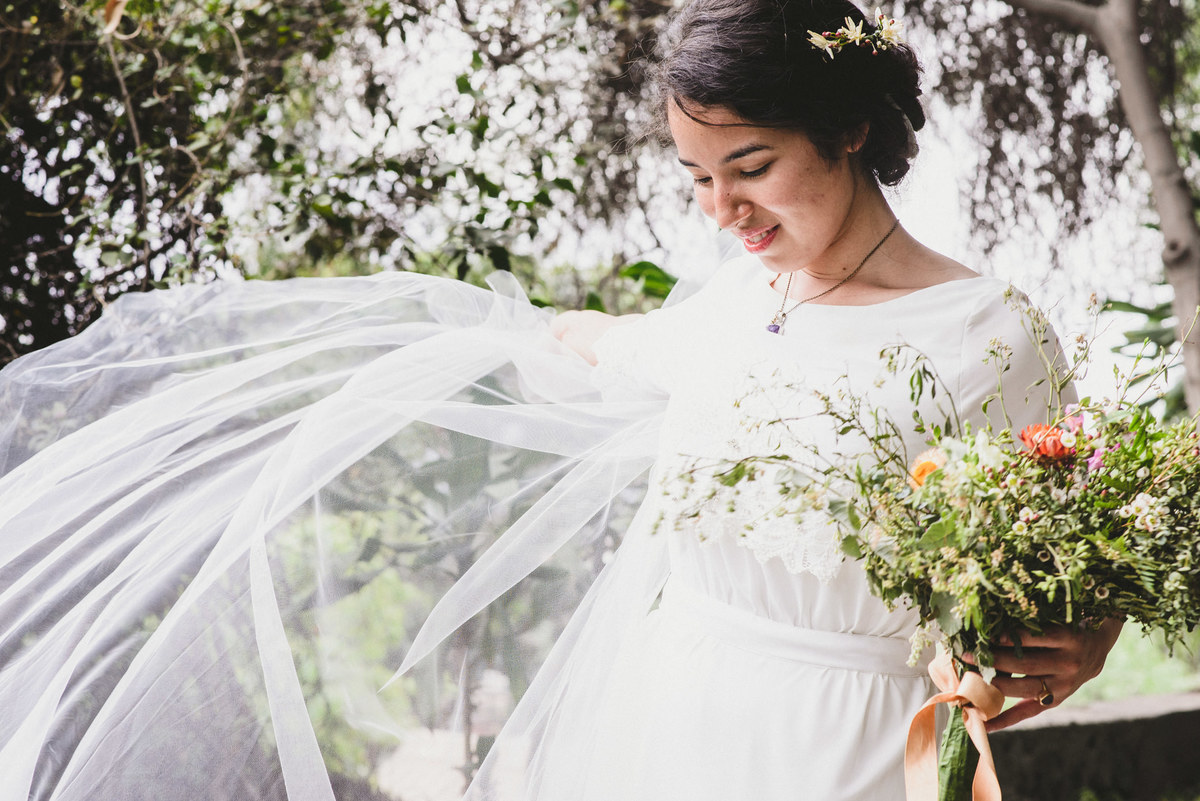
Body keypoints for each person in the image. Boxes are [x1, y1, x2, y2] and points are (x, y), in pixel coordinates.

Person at [0, 1, 1119, 800]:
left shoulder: (991, 332)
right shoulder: (735, 300)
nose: (721, 207)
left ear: (852, 130)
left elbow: (1070, 555)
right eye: (696, 176)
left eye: (752, 164)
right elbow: (610, 350)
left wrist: (1092, 639)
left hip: (852, 743)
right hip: (664, 710)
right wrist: (479, 334)